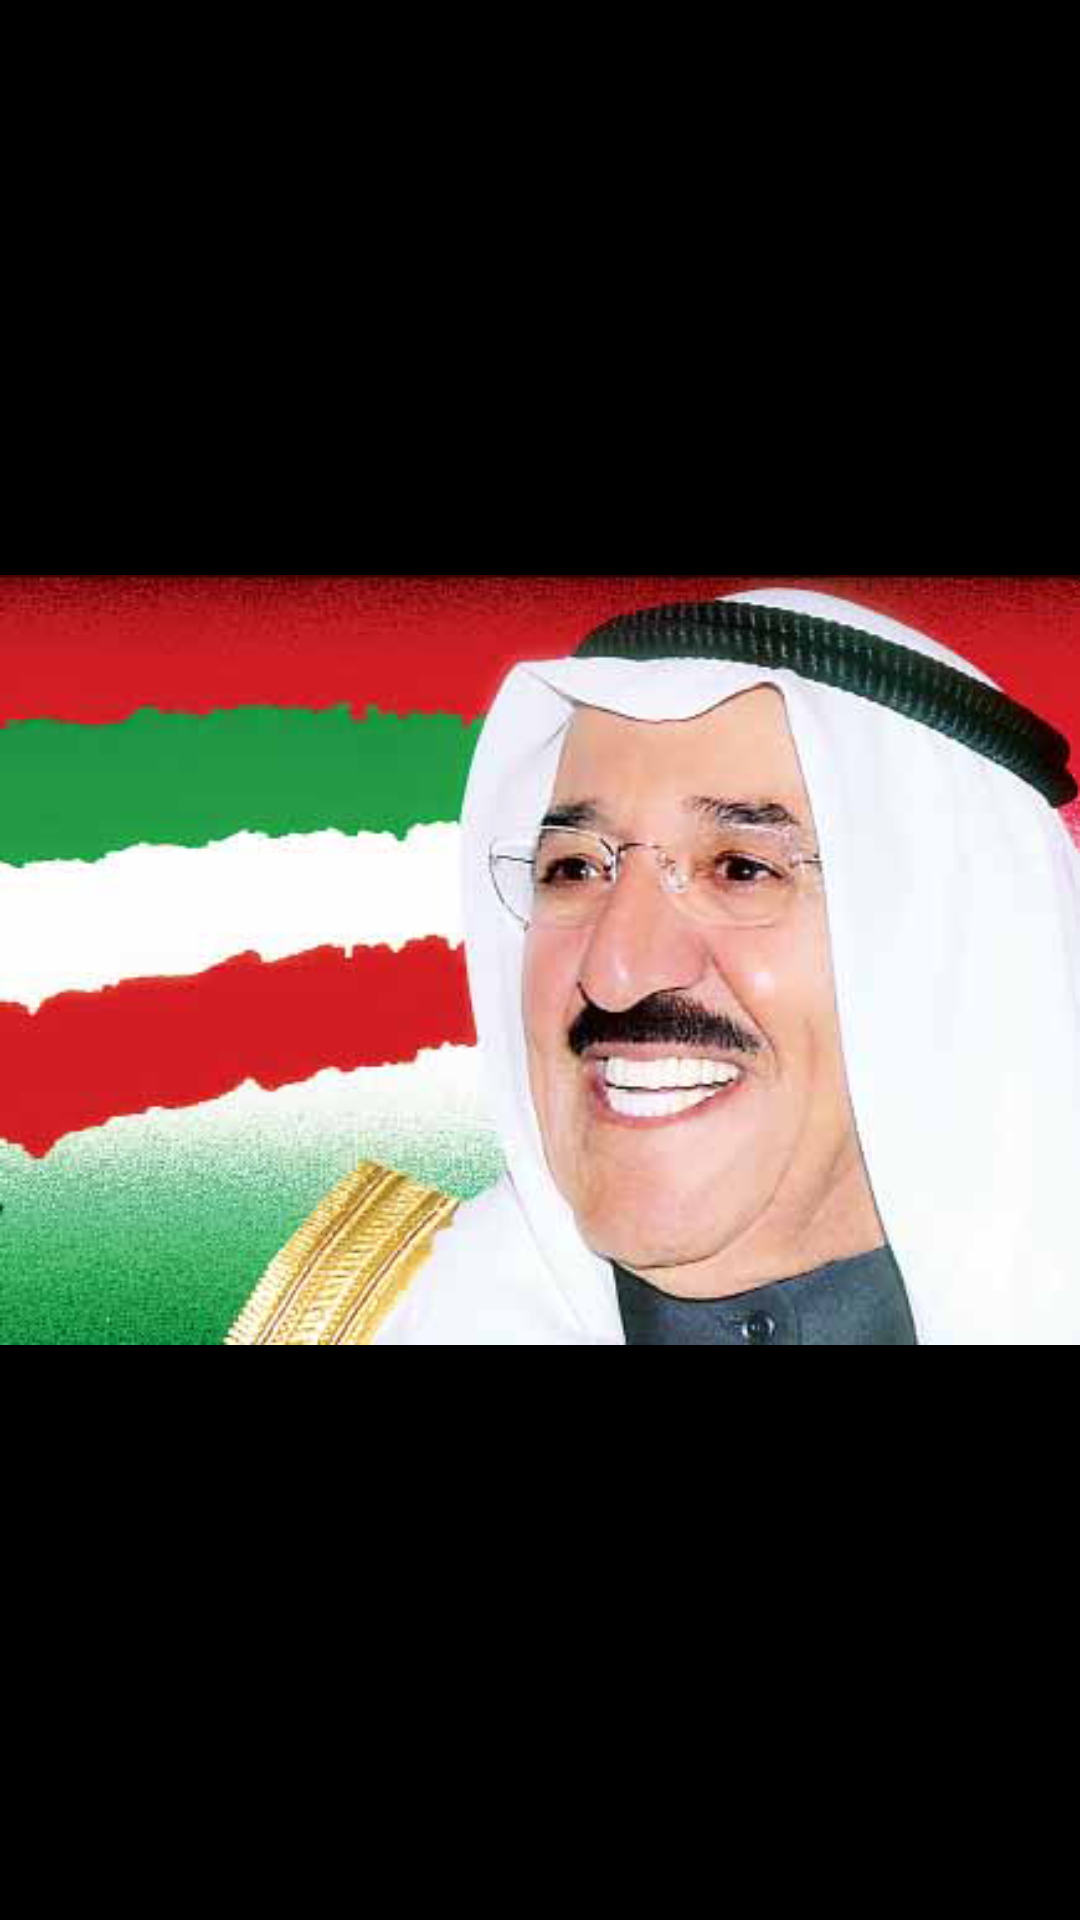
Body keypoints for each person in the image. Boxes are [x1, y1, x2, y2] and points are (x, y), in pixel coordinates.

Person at [228, 586, 1080, 1346]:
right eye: (575, 869)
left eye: (741, 869)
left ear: (959, 956)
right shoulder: (382, 1324)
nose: (616, 970)